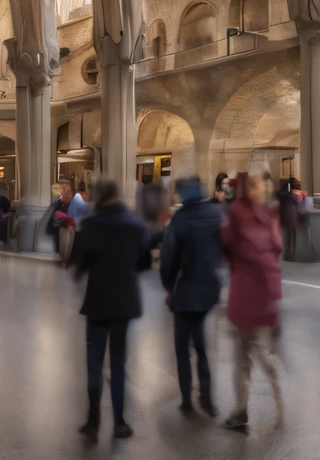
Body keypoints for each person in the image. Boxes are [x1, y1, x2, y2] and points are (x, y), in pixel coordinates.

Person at [72, 180, 151, 440]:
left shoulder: (90, 226)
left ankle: (93, 421)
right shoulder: (135, 225)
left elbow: (78, 263)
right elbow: (145, 261)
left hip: (97, 302)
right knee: (118, 362)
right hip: (124, 302)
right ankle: (119, 422)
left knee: (94, 362)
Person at [222, 171, 283, 432]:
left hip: (246, 294)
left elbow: (228, 244)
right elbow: (277, 246)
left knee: (244, 356)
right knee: (260, 350)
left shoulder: (237, 212)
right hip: (267, 292)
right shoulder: (267, 215)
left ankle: (240, 412)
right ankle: (278, 400)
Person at [159, 175, 222, 417]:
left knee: (182, 348)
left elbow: (168, 260)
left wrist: (169, 289)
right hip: (208, 290)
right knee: (203, 346)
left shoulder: (180, 219)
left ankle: (187, 399)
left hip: (185, 293)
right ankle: (207, 399)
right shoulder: (215, 214)